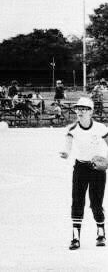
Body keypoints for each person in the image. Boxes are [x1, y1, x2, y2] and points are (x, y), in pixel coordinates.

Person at [60, 97, 108, 250]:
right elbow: (67, 147)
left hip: (97, 169)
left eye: (83, 108)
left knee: (96, 203)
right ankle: (75, 238)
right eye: (78, 108)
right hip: (80, 168)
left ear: (91, 111)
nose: (79, 111)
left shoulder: (100, 128)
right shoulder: (72, 129)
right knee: (77, 201)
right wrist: (66, 154)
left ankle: (101, 232)